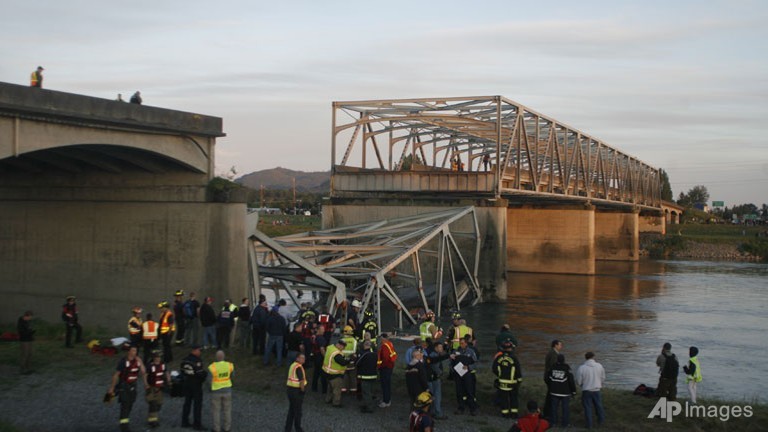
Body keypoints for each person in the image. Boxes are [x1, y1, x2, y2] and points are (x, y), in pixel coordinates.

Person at [107, 345, 147, 432]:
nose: (134, 353)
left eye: (135, 351)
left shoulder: (137, 361)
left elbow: (143, 372)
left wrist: (140, 362)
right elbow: (116, 375)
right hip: (124, 385)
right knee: (125, 404)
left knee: (130, 403)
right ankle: (124, 425)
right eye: (133, 351)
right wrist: (112, 388)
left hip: (133, 385)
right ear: (128, 351)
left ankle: (125, 420)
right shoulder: (123, 362)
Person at [576, 351, 606, 429]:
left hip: (586, 390)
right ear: (593, 357)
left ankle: (589, 425)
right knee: (599, 406)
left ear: (585, 358)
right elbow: (603, 377)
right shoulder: (599, 366)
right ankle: (601, 422)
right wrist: (600, 384)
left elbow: (579, 381)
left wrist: (582, 385)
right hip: (597, 390)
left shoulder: (581, 367)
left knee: (587, 408)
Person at [493, 341, 522, 418]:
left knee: (504, 398)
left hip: (502, 382)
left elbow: (494, 369)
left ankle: (505, 413)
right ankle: (514, 414)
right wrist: (519, 380)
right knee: (513, 398)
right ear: (510, 348)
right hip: (513, 383)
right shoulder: (514, 358)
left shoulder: (499, 357)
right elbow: (518, 370)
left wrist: (500, 376)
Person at [181, 345, 207, 430]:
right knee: (197, 405)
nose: (200, 352)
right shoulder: (197, 361)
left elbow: (182, 372)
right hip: (196, 385)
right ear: (195, 350)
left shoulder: (185, 360)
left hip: (186, 384)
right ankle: (197, 424)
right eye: (199, 350)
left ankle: (184, 421)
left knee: (187, 403)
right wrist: (205, 375)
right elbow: (200, 374)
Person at [450, 337, 479, 416]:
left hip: (467, 374)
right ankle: (460, 407)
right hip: (458, 374)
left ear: (466, 343)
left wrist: (469, 367)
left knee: (469, 391)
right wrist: (453, 370)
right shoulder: (455, 351)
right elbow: (451, 363)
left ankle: (472, 408)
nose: (461, 344)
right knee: (459, 391)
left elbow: (476, 363)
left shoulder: (471, 352)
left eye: (462, 343)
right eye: (460, 343)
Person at [546, 353, 576, 428]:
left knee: (554, 408)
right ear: (564, 360)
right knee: (565, 409)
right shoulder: (567, 369)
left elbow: (547, 378)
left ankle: (553, 423)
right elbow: (571, 381)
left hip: (554, 392)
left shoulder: (552, 368)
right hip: (565, 393)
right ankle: (565, 424)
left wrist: (551, 386)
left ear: (557, 360)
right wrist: (573, 391)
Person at [208, 350, 234, 432]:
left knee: (216, 411)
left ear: (216, 357)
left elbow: (209, 380)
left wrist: (210, 388)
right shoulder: (230, 365)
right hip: (227, 390)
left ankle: (216, 428)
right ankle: (227, 428)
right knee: (227, 410)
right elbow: (232, 376)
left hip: (216, 391)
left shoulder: (212, 367)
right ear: (224, 357)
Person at [145, 350, 170, 428]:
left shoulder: (163, 364)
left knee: (159, 404)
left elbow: (166, 372)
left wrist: (169, 381)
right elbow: (145, 375)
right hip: (151, 387)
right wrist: (146, 385)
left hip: (160, 388)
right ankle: (153, 421)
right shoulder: (149, 366)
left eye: (159, 357)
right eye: (157, 357)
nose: (158, 358)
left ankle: (152, 417)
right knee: (153, 404)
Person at [323, 340, 351, 407]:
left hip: (327, 372)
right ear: (340, 345)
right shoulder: (337, 354)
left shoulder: (330, 348)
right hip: (335, 374)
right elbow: (343, 362)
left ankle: (328, 399)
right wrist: (350, 360)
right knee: (337, 390)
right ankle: (336, 403)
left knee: (330, 388)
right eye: (343, 347)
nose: (343, 349)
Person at [426, 340, 450, 419]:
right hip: (435, 378)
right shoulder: (434, 355)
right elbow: (435, 366)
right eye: (440, 347)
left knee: (432, 395)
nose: (441, 348)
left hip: (431, 378)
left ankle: (432, 412)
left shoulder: (434, 354)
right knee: (437, 395)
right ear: (436, 347)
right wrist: (440, 373)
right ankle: (438, 413)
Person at [285, 353, 307, 432]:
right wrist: (303, 390)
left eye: (304, 358)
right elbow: (301, 381)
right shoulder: (298, 367)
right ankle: (298, 428)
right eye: (302, 358)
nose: (304, 360)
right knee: (298, 412)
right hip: (296, 391)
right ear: (297, 358)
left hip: (290, 390)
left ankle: (287, 428)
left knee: (291, 410)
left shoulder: (293, 365)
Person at [356, 340, 378, 413]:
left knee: (366, 392)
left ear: (364, 345)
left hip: (365, 376)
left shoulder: (364, 354)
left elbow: (357, 363)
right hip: (373, 375)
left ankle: (369, 407)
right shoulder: (375, 354)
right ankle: (368, 404)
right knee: (371, 392)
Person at [543, 339, 562, 417]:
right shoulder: (554, 354)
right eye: (560, 344)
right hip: (550, 377)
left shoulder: (551, 352)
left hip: (548, 376)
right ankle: (549, 413)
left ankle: (547, 412)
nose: (561, 346)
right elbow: (553, 366)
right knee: (550, 395)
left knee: (550, 394)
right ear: (555, 345)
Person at [378, 332, 398, 408]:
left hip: (385, 368)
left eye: (381, 338)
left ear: (383, 338)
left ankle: (386, 401)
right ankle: (387, 399)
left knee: (385, 385)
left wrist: (380, 366)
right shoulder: (389, 344)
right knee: (387, 384)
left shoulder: (384, 346)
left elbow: (385, 358)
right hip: (389, 367)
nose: (380, 339)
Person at [340, 325, 358, 392]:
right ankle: (353, 389)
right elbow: (355, 351)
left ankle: (344, 389)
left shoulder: (342, 340)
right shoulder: (354, 341)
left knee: (344, 375)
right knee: (352, 376)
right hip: (352, 361)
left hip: (343, 361)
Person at [311, 324, 328, 393]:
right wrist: (325, 357)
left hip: (315, 356)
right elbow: (322, 349)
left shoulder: (314, 337)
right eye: (322, 329)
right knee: (323, 374)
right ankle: (324, 389)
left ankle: (314, 387)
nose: (324, 331)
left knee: (316, 373)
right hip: (320, 357)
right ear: (318, 330)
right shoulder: (321, 338)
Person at [17, 310, 34, 374]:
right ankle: (22, 368)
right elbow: (21, 331)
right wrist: (28, 332)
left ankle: (28, 367)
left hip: (29, 339)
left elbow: (29, 328)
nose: (30, 318)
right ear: (26, 316)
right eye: (29, 317)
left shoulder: (28, 322)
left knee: (29, 354)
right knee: (24, 354)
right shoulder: (21, 322)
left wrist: (31, 332)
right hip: (24, 340)